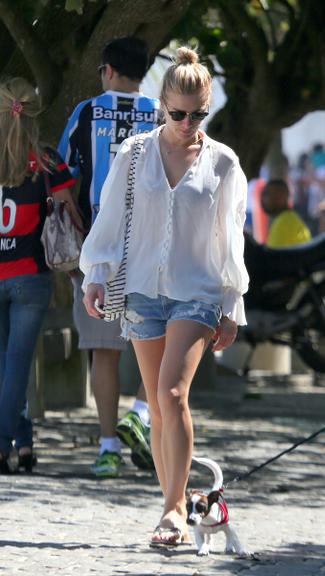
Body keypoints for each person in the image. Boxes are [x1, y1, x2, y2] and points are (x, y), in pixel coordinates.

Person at [80, 47, 249, 545]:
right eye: (178, 113)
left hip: (196, 293)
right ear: (162, 104)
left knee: (173, 394)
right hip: (141, 291)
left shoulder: (223, 163)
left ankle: (174, 512)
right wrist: (96, 273)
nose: (187, 123)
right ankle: (172, 502)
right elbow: (110, 219)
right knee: (157, 401)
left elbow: (230, 239)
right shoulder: (134, 154)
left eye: (199, 114)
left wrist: (231, 305)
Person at [59, 37, 160, 477]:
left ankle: (107, 450)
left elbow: (64, 173)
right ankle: (139, 413)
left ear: (108, 70)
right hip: (153, 247)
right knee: (157, 344)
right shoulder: (161, 114)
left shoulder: (86, 112)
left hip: (97, 249)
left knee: (105, 352)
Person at [0, 78, 80, 474]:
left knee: (4, 366)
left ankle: (21, 442)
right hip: (30, 275)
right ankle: (9, 444)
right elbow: (68, 213)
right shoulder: (47, 160)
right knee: (16, 364)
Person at [261, 178, 311, 248]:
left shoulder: (283, 223)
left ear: (282, 195)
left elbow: (272, 257)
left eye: (267, 194)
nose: (263, 198)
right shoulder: (292, 219)